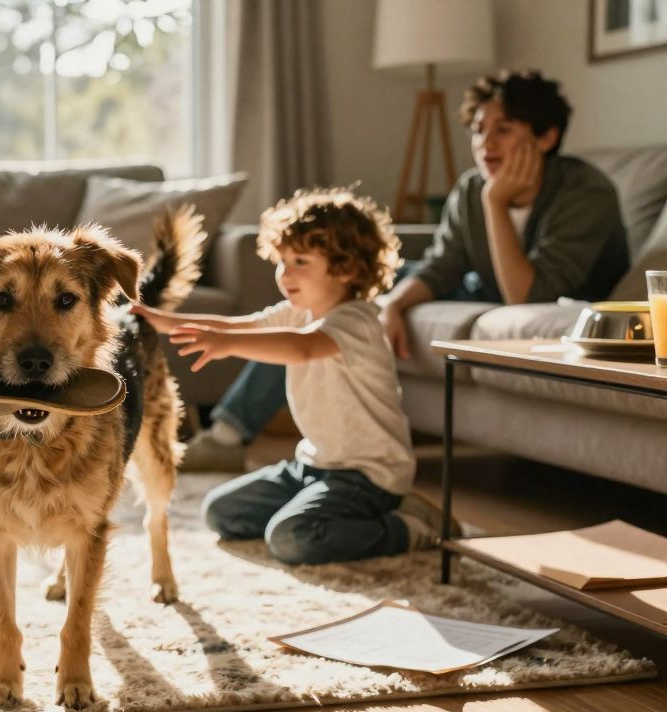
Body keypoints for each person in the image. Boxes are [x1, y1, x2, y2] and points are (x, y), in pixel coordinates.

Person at [182, 69, 629, 473]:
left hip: (552, 302)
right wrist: (393, 302)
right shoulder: (471, 187)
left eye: (503, 130)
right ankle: (228, 433)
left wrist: (495, 203)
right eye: (478, 130)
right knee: (332, 285)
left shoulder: (585, 192)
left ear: (546, 137)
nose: (484, 144)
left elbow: (526, 299)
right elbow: (443, 264)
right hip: (481, 288)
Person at [132, 187, 443, 564]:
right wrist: (166, 322)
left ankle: (407, 527)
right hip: (310, 466)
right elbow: (240, 325)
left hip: (367, 477)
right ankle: (325, 511)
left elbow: (303, 347)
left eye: (300, 261)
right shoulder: (296, 311)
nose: (285, 273)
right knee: (220, 513)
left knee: (292, 538)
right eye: (282, 260)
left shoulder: (359, 319)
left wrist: (226, 345)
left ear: (346, 268)